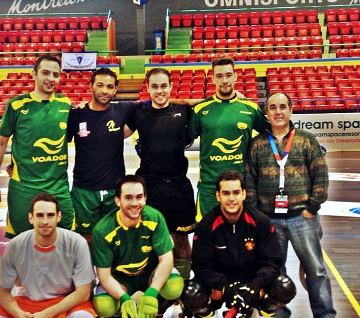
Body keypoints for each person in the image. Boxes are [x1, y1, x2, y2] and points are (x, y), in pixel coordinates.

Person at [245, 92, 337, 318]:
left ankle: (325, 316)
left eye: (282, 107)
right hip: (269, 219)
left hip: (301, 217)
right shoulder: (258, 144)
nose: (278, 112)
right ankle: (278, 314)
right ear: (266, 113)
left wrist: (312, 207)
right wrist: (257, 215)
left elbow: (321, 176)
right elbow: (250, 181)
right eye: (272, 107)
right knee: (275, 270)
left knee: (315, 269)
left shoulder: (306, 140)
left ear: (291, 110)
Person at [181, 170, 295, 318]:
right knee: (190, 292)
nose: (231, 199)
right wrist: (226, 288)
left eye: (236, 193)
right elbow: (201, 266)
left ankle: (263, 314)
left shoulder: (260, 221)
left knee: (285, 287)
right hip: (221, 286)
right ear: (218, 196)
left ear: (243, 194)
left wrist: (255, 286)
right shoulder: (206, 225)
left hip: (252, 283)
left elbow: (273, 261)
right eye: (226, 193)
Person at [0, 193, 96, 318]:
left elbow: (83, 293)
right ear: (30, 218)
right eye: (39, 215)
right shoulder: (16, 245)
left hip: (66, 300)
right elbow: (2, 292)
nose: (45, 221)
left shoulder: (76, 242)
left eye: (50, 215)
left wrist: (45, 315)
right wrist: (21, 317)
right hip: (29, 301)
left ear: (58, 217)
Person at [91, 175, 184, 318]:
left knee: (174, 286)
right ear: (117, 200)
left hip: (148, 275)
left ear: (145, 198)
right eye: (128, 197)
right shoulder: (103, 230)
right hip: (121, 281)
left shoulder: (154, 217)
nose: (135, 203)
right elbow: (104, 275)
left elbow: (167, 259)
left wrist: (151, 293)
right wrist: (124, 299)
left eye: (139, 197)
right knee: (103, 305)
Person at [0, 54, 74, 239]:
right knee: (22, 244)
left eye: (56, 75)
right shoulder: (17, 105)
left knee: (65, 242)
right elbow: (0, 142)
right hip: (24, 188)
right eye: (45, 73)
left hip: (58, 188)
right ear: (33, 74)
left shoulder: (66, 105)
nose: (51, 79)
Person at [126, 67, 196, 282]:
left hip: (178, 188)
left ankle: (183, 293)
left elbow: (206, 104)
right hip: (150, 188)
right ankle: (155, 293)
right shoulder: (138, 113)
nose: (159, 91)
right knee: (151, 241)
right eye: (154, 86)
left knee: (182, 242)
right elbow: (113, 131)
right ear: (147, 88)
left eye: (163, 86)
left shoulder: (183, 111)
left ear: (171, 87)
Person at [189, 55, 268, 221]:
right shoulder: (201, 110)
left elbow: (272, 132)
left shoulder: (250, 108)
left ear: (235, 76)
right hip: (209, 188)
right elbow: (182, 139)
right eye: (219, 76)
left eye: (228, 75)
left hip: (240, 187)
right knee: (207, 239)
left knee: (240, 238)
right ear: (212, 78)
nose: (224, 80)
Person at [67, 67, 137, 243]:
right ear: (90, 86)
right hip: (84, 190)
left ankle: (111, 272)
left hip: (114, 189)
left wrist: (191, 102)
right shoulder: (75, 115)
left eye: (109, 86)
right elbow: (56, 142)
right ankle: (89, 272)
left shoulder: (123, 110)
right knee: (86, 241)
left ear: (115, 89)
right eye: (100, 85)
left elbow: (156, 103)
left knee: (114, 239)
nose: (104, 90)